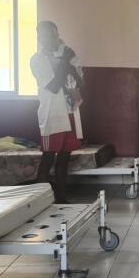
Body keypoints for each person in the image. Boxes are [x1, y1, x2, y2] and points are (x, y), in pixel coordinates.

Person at [30, 21, 84, 204]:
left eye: (54, 34)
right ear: (39, 38)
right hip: (51, 114)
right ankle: (38, 203)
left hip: (70, 111)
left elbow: (80, 81)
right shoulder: (37, 60)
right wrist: (65, 62)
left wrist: (70, 63)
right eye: (46, 35)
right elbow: (53, 86)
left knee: (64, 159)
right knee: (48, 158)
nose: (51, 39)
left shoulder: (65, 55)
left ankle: (61, 200)